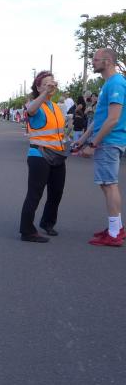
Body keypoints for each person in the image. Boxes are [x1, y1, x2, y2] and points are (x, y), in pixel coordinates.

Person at [78, 48, 126, 246]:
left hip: (109, 141)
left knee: (109, 184)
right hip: (107, 141)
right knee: (106, 184)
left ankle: (114, 234)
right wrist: (83, 139)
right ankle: (117, 227)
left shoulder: (116, 83)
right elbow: (100, 118)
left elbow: (113, 119)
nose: (93, 62)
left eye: (96, 59)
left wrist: (93, 143)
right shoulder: (108, 83)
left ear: (108, 61)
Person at [19, 71, 67, 243]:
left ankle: (47, 222)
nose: (51, 85)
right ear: (38, 88)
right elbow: (30, 110)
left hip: (58, 154)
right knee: (35, 194)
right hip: (39, 155)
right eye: (46, 84)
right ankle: (27, 231)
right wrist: (45, 93)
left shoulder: (56, 107)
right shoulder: (34, 104)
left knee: (56, 192)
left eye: (52, 82)